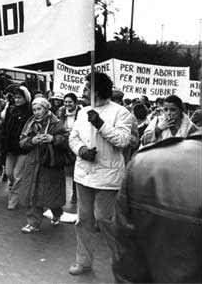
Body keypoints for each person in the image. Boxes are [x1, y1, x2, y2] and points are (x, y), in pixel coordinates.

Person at [112, 133, 202, 283]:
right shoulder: (146, 162)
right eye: (166, 109)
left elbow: (128, 269)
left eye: (172, 109)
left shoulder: (144, 162)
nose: (168, 113)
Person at [68, 72, 133, 276]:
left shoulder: (121, 113)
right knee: (84, 219)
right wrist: (81, 151)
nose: (83, 92)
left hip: (107, 177)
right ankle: (83, 260)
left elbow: (123, 141)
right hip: (83, 174)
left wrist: (100, 124)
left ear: (96, 90)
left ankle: (123, 261)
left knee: (104, 220)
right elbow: (74, 138)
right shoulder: (82, 112)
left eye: (87, 88)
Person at [19, 97, 69, 233]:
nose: (36, 112)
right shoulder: (30, 123)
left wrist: (52, 139)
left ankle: (57, 212)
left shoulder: (56, 123)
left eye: (39, 109)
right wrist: (32, 140)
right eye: (34, 110)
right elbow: (22, 141)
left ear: (46, 109)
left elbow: (67, 141)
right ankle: (33, 223)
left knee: (51, 195)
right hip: (33, 163)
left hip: (50, 164)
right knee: (34, 194)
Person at [2, 86, 32, 210]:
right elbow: (4, 127)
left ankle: (13, 200)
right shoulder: (10, 110)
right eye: (15, 97)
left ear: (26, 98)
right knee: (9, 173)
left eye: (20, 97)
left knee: (17, 174)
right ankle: (15, 187)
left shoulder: (30, 112)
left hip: (23, 148)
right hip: (10, 147)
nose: (17, 100)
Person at [56, 93, 82, 204]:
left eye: (70, 102)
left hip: (76, 145)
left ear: (75, 102)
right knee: (60, 171)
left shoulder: (82, 113)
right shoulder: (61, 112)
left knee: (75, 172)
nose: (67, 104)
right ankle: (58, 195)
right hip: (63, 145)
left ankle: (75, 195)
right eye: (65, 102)